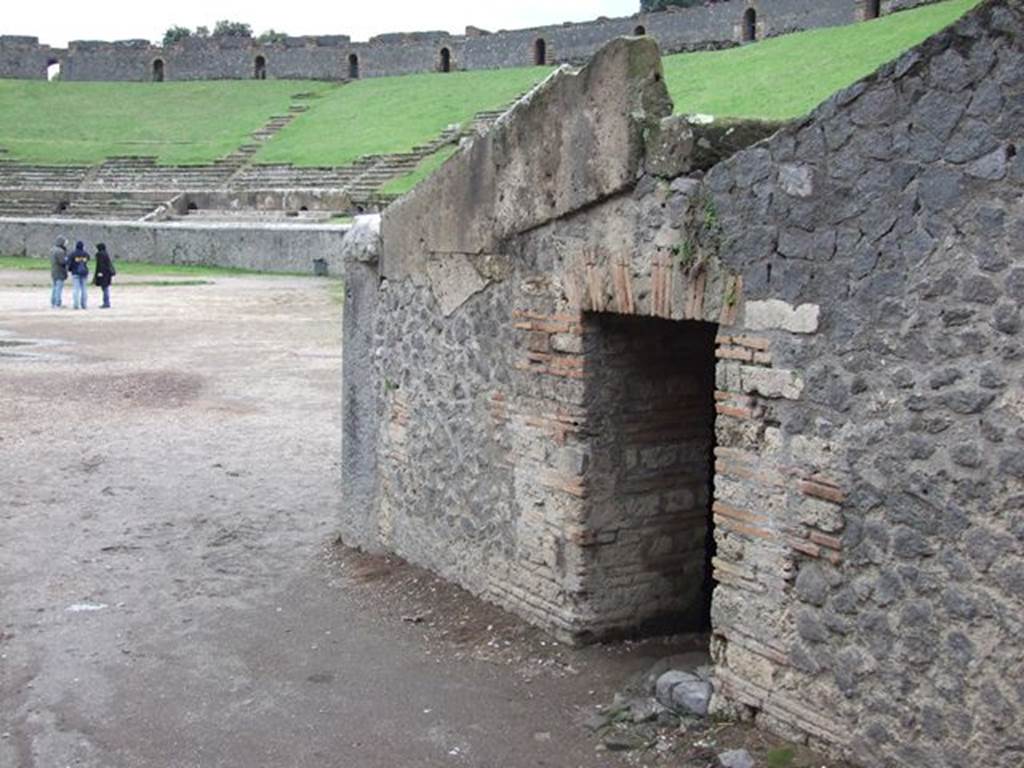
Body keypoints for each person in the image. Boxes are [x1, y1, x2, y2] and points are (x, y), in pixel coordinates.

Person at [67, 240, 91, 310]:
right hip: (84, 273)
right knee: (84, 289)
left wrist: (70, 269)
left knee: (76, 289)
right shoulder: (85, 254)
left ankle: (76, 305)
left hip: (75, 272)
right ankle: (84, 305)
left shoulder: (72, 254)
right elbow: (88, 259)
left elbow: (69, 262)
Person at [93, 243, 116, 309]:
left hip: (103, 273)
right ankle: (107, 302)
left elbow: (100, 265)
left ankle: (106, 302)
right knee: (106, 288)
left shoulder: (99, 255)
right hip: (107, 273)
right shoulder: (106, 253)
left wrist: (99, 274)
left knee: (105, 288)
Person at [49, 236, 68, 308]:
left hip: (54, 270)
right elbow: (62, 261)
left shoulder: (52, 250)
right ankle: (57, 302)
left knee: (54, 287)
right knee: (59, 288)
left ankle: (53, 302)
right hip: (59, 271)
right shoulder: (60, 251)